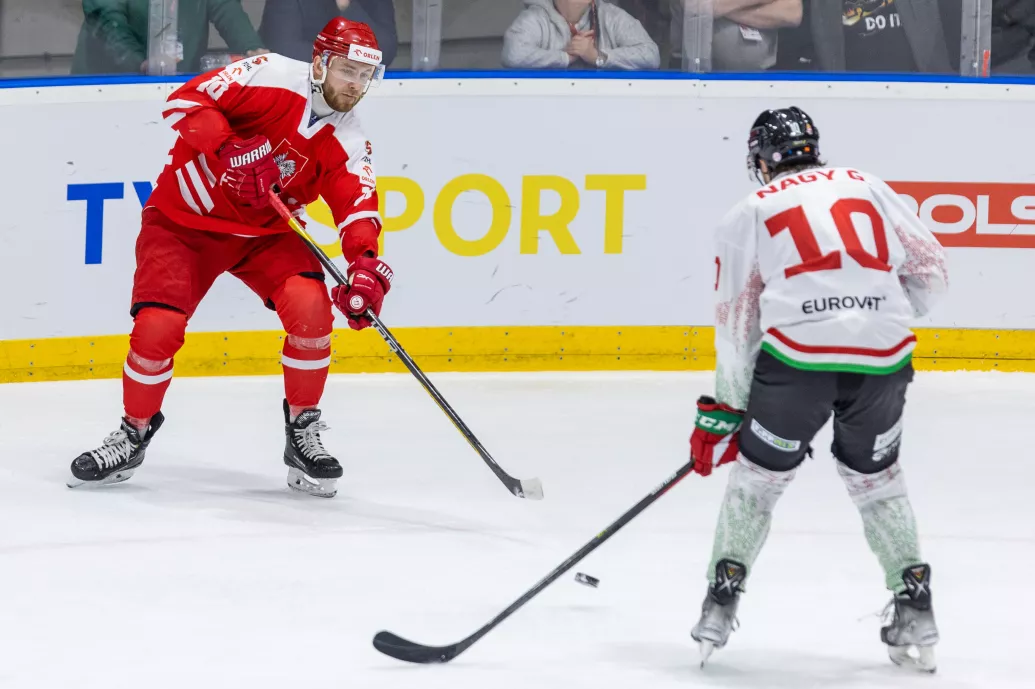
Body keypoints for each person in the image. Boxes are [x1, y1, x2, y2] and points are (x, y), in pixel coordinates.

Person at [67, 18, 394, 500]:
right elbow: (185, 100)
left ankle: (302, 429)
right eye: (348, 70)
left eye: (366, 76)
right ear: (320, 63)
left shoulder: (350, 138)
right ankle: (132, 434)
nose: (356, 85)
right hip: (184, 221)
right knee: (157, 328)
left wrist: (364, 267)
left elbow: (358, 208)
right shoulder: (269, 74)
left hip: (266, 234)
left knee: (311, 309)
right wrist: (228, 149)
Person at [687, 107, 948, 671]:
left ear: (761, 159)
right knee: (878, 481)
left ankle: (719, 606)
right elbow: (931, 268)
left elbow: (737, 321)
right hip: (884, 358)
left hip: (797, 365)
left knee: (757, 481)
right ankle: (916, 608)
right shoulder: (865, 183)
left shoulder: (749, 210)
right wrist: (874, 315)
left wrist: (729, 407)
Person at [72, 0, 269, 75]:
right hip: (106, 90)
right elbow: (107, 20)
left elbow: (226, 8)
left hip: (178, 91)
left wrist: (252, 48)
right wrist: (139, 62)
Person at [502, 0, 660, 71]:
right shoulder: (535, 17)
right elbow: (513, 54)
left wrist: (597, 56)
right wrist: (564, 57)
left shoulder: (611, 16)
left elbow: (650, 54)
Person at [259, 0, 398, 68]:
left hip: (359, 93)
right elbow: (283, 49)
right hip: (300, 91)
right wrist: (344, 60)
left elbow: (385, 53)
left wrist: (347, 6)